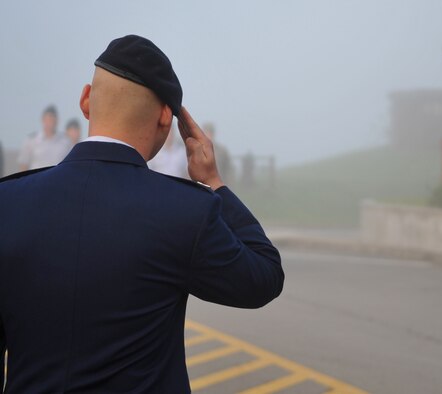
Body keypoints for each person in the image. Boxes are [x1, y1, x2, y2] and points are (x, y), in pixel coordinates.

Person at [0, 35, 284, 393]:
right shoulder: (186, 211)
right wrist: (213, 181)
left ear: (86, 100)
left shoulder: (6, 203)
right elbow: (264, 277)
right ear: (167, 117)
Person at [17, 105, 73, 171]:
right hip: (37, 179)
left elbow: (70, 164)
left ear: (57, 121)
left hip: (57, 179)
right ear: (43, 120)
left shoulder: (65, 141)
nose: (50, 122)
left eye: (53, 119)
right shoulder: (32, 140)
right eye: (48, 119)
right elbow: (23, 164)